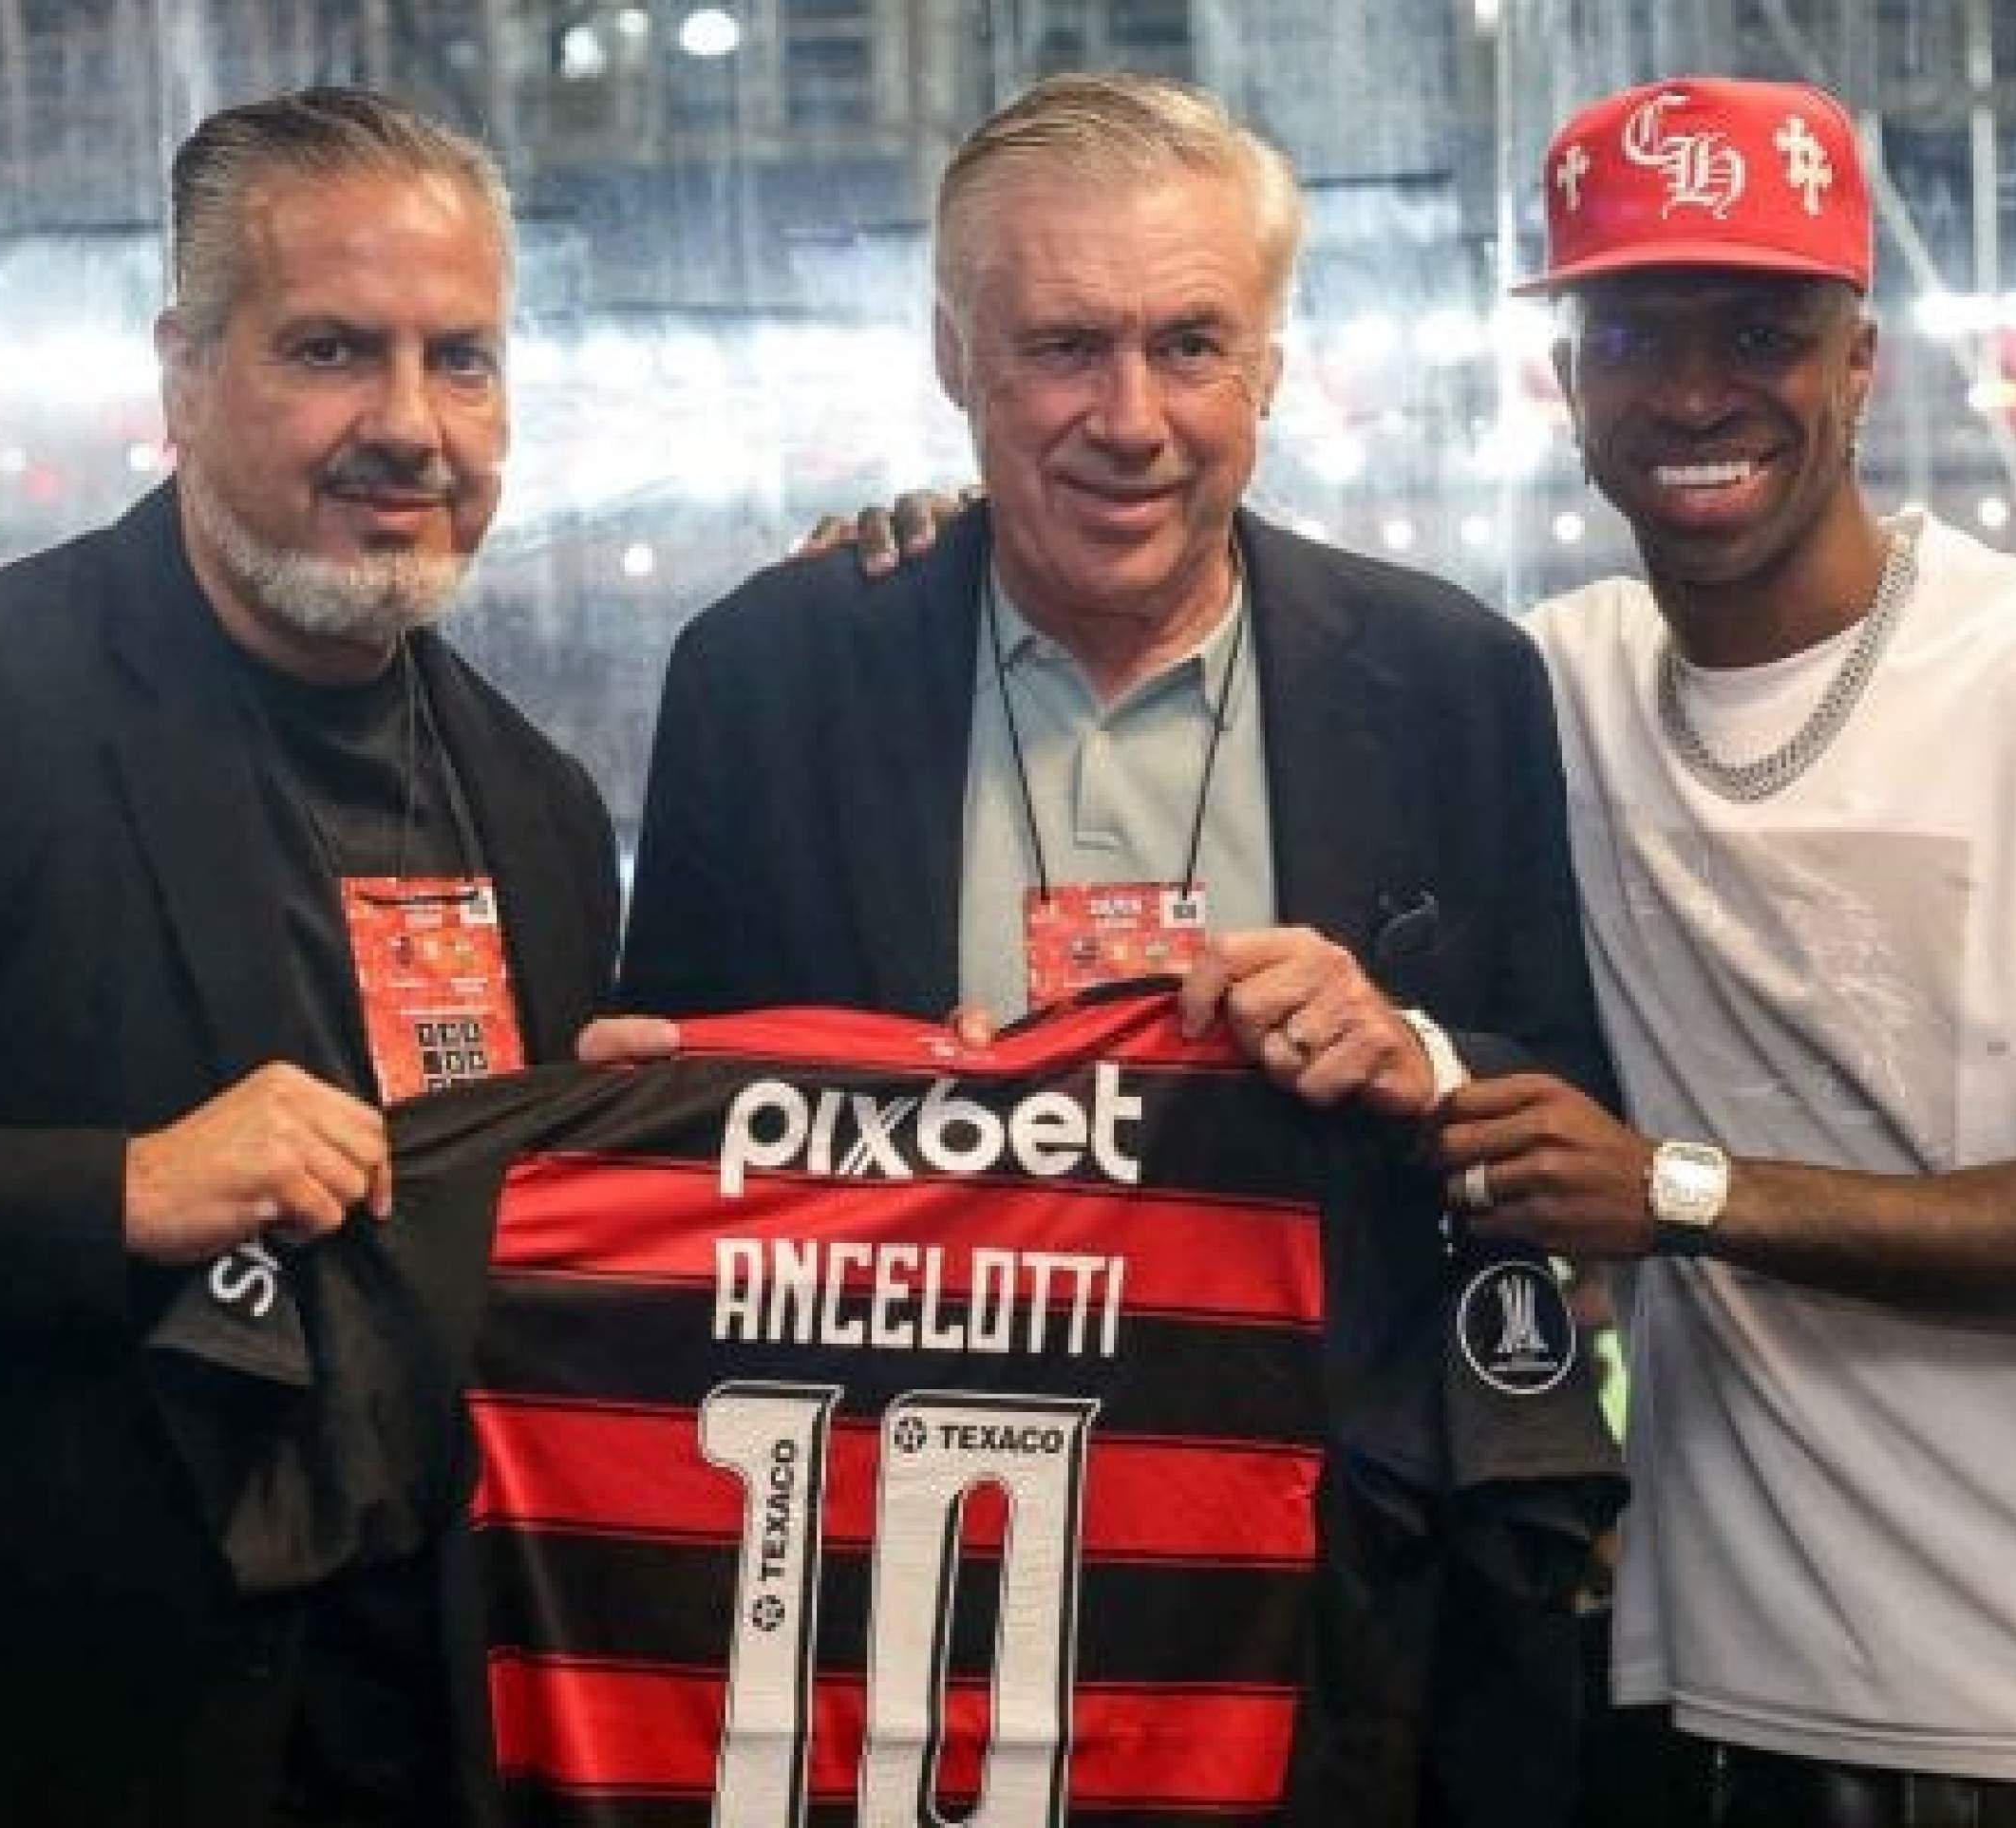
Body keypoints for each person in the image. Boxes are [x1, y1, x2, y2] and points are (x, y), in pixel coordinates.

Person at [611, 71, 1625, 1822]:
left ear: (1270, 365)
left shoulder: (1450, 679)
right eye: (1064, 347)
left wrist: (1416, 1055)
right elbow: (673, 1153)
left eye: (1189, 345)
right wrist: (648, 1119)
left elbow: (1567, 1109)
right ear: (955, 358)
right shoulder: (766, 677)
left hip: (1323, 1630)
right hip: (882, 1628)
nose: (1131, 417)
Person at [0, 87, 618, 1828]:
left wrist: (625, 1147)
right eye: (329, 349)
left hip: (405, 1746)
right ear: (184, 371)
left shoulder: (535, 804)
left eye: (460, 358)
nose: (409, 424)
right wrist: (116, 1191)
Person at [1429, 76, 2016, 1824]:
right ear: (1567, 382)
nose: (1694, 391)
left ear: (1856, 364)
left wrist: (1676, 1189)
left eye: (1761, 333)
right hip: (1749, 1723)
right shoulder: (1549, 687)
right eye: (1634, 335)